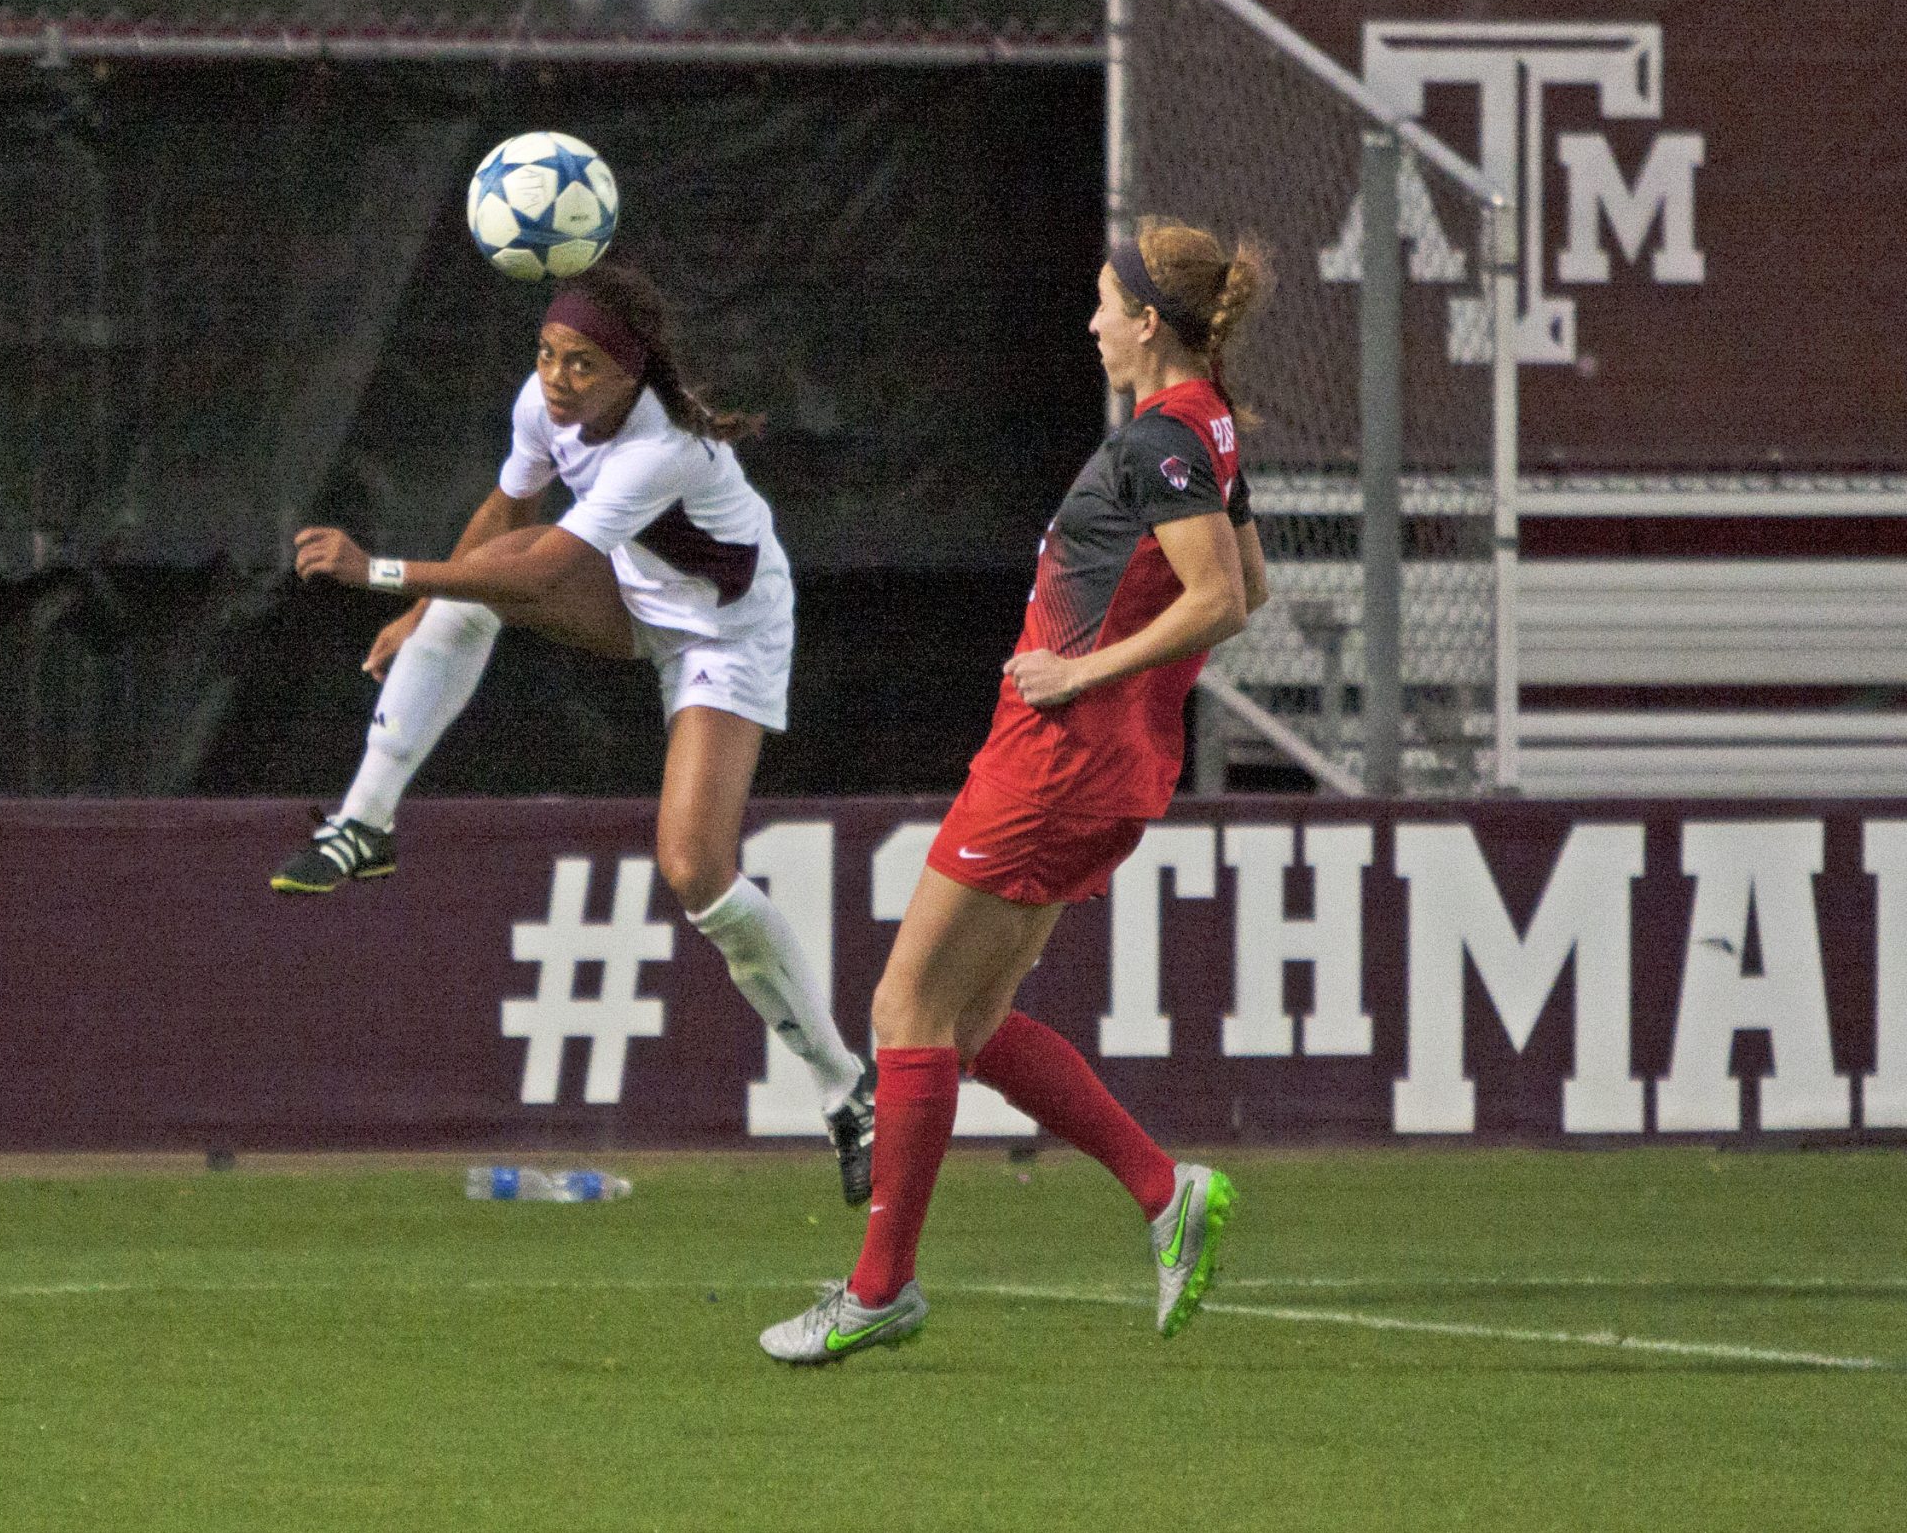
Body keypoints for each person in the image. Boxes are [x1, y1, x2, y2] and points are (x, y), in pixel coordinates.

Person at [760, 217, 1273, 1364]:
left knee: (904, 1009)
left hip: (1059, 756)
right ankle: (1160, 1188)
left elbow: (1220, 600)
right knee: (972, 1020)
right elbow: (1253, 580)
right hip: (1102, 757)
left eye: (1103, 301)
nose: (1090, 320)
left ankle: (879, 1286)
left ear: (1146, 321)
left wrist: (1082, 668)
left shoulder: (1162, 440)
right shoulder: (1207, 428)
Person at [279, 260, 875, 1204]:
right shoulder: (542, 402)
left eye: (583, 365)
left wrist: (385, 575)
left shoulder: (662, 449)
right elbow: (508, 515)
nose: (558, 378)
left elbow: (531, 576)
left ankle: (848, 1090)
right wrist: (424, 607)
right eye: (549, 355)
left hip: (727, 629)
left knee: (694, 868)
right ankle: (364, 822)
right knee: (483, 571)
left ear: (631, 376)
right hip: (636, 593)